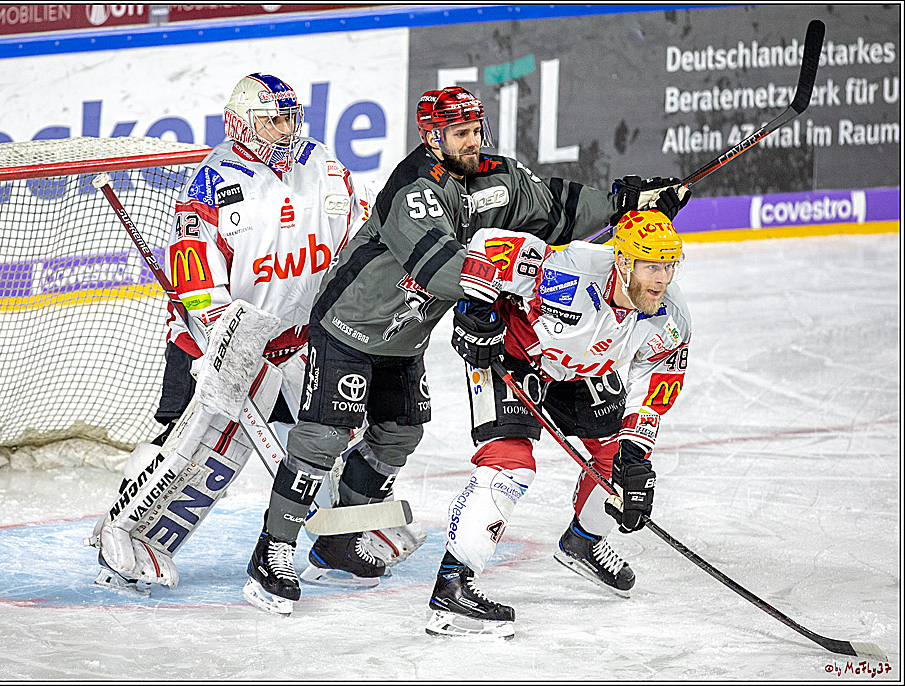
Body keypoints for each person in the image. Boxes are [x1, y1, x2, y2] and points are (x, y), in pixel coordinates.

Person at [243, 85, 690, 615]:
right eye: (461, 133)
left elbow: (554, 207)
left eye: (477, 129)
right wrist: (501, 288)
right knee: (322, 437)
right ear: (432, 136)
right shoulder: (411, 188)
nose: (474, 140)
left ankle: (339, 538)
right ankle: (271, 551)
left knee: (398, 435)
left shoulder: (496, 177)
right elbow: (437, 266)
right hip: (350, 326)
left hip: (404, 340)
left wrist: (627, 204)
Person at [88, 73, 383, 593]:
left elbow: (359, 233)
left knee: (334, 436)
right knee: (192, 447)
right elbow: (193, 274)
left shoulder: (322, 164)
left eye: (290, 118)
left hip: (300, 339)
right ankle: (124, 539)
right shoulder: (212, 185)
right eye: (272, 120)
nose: (285, 130)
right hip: (218, 340)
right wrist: (220, 333)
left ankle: (334, 542)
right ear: (240, 124)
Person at [424, 208, 691, 638]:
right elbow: (489, 244)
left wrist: (636, 453)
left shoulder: (671, 318)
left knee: (619, 466)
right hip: (514, 358)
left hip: (582, 371)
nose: (661, 279)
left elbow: (657, 386)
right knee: (510, 463)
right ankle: (452, 588)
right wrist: (476, 307)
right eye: (649, 266)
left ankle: (583, 541)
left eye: (667, 265)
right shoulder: (570, 272)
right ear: (622, 262)